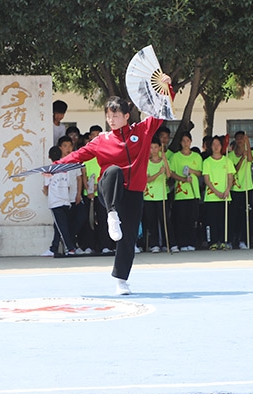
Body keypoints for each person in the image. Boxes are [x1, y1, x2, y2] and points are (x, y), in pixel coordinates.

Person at [54, 75, 174, 294]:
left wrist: (167, 87)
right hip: (109, 192)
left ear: (126, 116)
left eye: (116, 115)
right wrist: (56, 166)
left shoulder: (143, 131)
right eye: (108, 115)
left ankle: (121, 280)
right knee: (114, 170)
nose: (111, 119)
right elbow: (79, 154)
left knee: (128, 238)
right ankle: (111, 215)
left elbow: (163, 111)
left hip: (134, 193)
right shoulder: (102, 140)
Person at [169, 132, 202, 252]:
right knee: (181, 220)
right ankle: (182, 243)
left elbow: (200, 172)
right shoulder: (175, 157)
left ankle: (191, 242)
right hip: (180, 193)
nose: (186, 143)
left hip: (194, 193)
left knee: (192, 220)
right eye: (183, 141)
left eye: (188, 141)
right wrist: (183, 178)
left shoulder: (197, 157)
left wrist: (191, 171)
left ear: (191, 141)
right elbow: (171, 173)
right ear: (180, 143)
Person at [202, 136, 235, 250]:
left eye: (218, 144)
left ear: (222, 146)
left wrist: (227, 190)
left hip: (225, 196)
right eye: (214, 144)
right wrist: (216, 192)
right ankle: (213, 242)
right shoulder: (207, 162)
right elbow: (207, 179)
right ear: (210, 147)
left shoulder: (227, 161)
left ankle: (225, 241)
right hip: (211, 196)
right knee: (212, 221)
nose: (216, 147)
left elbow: (231, 177)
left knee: (224, 220)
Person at [43, 146, 75, 257]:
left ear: (49, 157)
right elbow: (69, 185)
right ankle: (54, 247)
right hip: (65, 201)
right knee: (59, 226)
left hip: (55, 202)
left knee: (62, 227)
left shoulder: (49, 169)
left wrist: (46, 191)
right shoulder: (66, 169)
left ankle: (70, 248)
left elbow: (46, 186)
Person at [143, 137, 172, 253]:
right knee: (152, 221)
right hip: (149, 196)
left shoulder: (164, 160)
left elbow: (169, 175)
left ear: (160, 148)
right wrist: (158, 173)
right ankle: (154, 244)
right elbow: (147, 179)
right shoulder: (147, 163)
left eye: (156, 147)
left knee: (165, 220)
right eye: (151, 147)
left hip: (162, 195)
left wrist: (164, 160)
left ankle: (168, 243)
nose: (154, 150)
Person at [228, 131, 253, 250]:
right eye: (238, 139)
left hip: (247, 188)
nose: (240, 141)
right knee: (233, 216)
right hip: (235, 189)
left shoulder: (249, 152)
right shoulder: (230, 156)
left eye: (242, 139)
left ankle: (243, 240)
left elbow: (250, 159)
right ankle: (232, 239)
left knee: (245, 216)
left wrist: (248, 144)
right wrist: (241, 158)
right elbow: (235, 170)